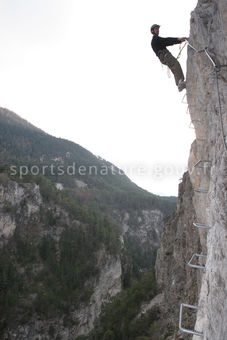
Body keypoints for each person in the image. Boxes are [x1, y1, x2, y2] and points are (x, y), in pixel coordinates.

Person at [150, 24, 187, 92]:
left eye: (158, 29)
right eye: (156, 29)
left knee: (174, 68)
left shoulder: (156, 39)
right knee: (175, 65)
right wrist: (178, 40)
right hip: (165, 56)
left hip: (164, 57)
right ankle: (180, 83)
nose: (158, 30)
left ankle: (179, 83)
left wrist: (178, 40)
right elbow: (166, 40)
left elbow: (166, 41)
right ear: (152, 31)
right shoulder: (155, 39)